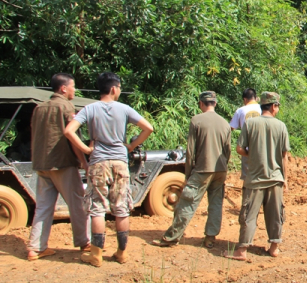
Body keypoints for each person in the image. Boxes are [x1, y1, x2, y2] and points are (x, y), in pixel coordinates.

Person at [64, 72, 153, 267]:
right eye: (119, 88)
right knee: (121, 209)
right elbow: (148, 128)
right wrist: (130, 146)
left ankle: (96, 255)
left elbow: (68, 131)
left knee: (97, 209)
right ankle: (122, 253)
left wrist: (86, 149)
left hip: (98, 163)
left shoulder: (89, 109)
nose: (119, 91)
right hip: (120, 162)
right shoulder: (124, 109)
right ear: (114, 89)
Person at [151, 91, 231, 249]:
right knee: (215, 204)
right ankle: (210, 238)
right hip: (220, 169)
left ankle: (171, 237)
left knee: (187, 202)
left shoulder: (196, 120)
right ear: (215, 103)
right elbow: (227, 150)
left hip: (202, 169)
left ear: (201, 103)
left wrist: (187, 175)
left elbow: (190, 151)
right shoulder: (225, 123)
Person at [27, 73, 91, 261]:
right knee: (78, 204)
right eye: (73, 86)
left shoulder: (39, 108)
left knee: (43, 207)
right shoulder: (66, 107)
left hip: (42, 164)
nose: (74, 90)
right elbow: (73, 139)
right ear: (63, 89)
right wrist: (84, 163)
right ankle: (85, 241)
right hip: (62, 164)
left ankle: (35, 248)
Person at [225, 92, 290, 261]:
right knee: (276, 214)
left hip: (254, 179)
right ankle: (274, 247)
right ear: (274, 106)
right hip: (275, 178)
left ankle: (242, 250)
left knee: (248, 215)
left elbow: (239, 149)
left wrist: (253, 154)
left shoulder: (250, 124)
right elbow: (284, 156)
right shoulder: (281, 126)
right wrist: (285, 180)